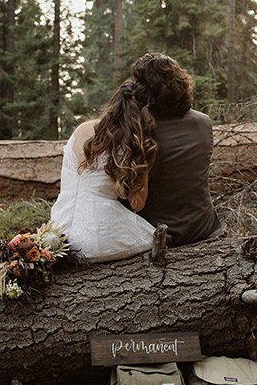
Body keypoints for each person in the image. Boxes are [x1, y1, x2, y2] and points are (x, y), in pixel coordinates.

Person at [48, 76, 158, 262]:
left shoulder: (82, 129)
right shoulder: (132, 144)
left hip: (58, 232)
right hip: (98, 238)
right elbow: (138, 203)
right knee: (153, 238)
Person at [132, 53, 223, 247]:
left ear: (143, 89)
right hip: (204, 228)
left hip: (162, 236)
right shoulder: (204, 122)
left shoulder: (141, 130)